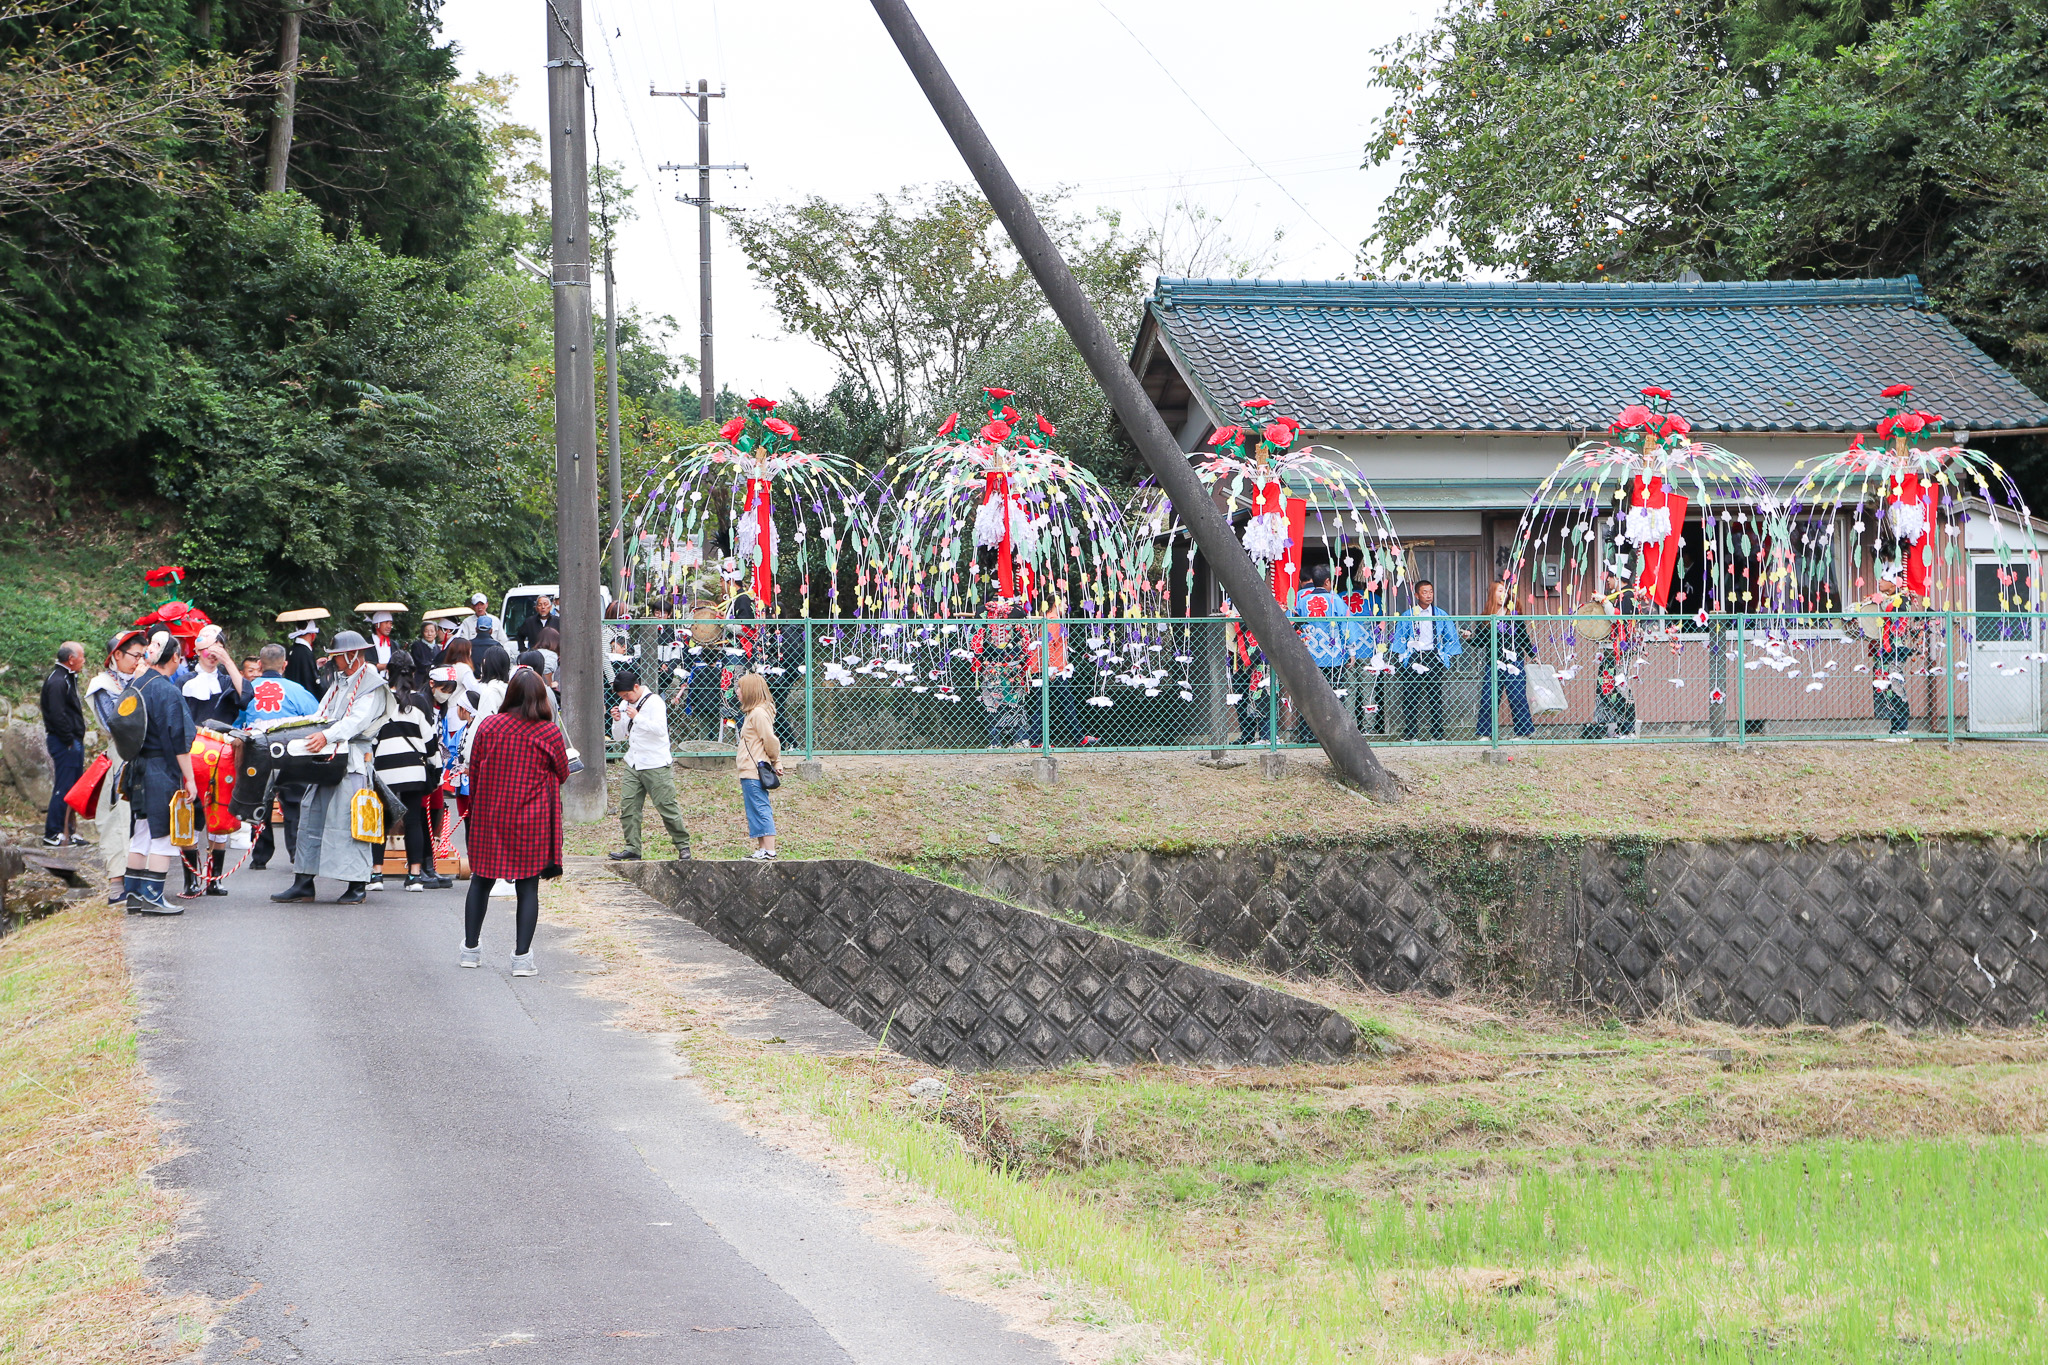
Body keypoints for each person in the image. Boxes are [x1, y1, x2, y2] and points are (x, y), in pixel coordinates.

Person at [460, 670, 569, 974]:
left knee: (480, 881)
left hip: (491, 814)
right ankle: (522, 959)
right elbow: (562, 772)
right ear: (540, 697)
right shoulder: (548, 732)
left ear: (511, 694)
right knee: (527, 887)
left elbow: (476, 771)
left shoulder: (490, 725)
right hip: (531, 820)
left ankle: (470, 950)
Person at [270, 630, 390, 905]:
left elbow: (356, 722)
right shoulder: (340, 682)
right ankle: (303, 882)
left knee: (351, 822)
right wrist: (292, 729)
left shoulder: (371, 684)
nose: (333, 661)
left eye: (337, 657)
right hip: (326, 758)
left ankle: (358, 884)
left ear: (351, 655)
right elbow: (320, 715)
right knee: (310, 814)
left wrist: (326, 735)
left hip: (353, 761)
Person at [118, 632, 197, 915]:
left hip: (135, 767)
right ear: (175, 657)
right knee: (164, 834)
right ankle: (153, 897)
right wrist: (189, 778)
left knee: (141, 833)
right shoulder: (168, 691)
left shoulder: (136, 684)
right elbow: (180, 741)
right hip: (160, 769)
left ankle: (133, 896)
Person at [238, 643, 320, 869]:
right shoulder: (297, 690)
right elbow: (317, 719)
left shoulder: (247, 689)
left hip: (257, 751)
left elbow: (237, 722)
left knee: (258, 802)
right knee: (294, 804)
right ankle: (296, 854)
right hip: (290, 751)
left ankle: (260, 857)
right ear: (285, 665)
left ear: (260, 666)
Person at [85, 631, 148, 900]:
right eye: (135, 655)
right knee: (118, 819)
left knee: (145, 821)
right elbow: (116, 723)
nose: (139, 661)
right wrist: (138, 684)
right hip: (121, 758)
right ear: (116, 655)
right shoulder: (102, 685)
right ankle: (117, 884)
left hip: (147, 758)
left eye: (143, 655)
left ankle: (144, 880)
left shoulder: (141, 679)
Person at [374, 659, 447, 891]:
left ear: (389, 672)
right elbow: (430, 742)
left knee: (381, 822)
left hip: (385, 770)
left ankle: (376, 874)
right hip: (414, 772)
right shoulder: (419, 705)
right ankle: (415, 876)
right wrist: (436, 773)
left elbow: (372, 739)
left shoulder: (380, 701)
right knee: (413, 821)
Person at [608, 667, 690, 862]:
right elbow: (619, 737)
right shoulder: (624, 704)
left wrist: (637, 717)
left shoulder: (655, 702)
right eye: (622, 696)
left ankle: (683, 845)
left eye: (627, 694)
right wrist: (617, 720)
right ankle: (632, 847)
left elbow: (661, 730)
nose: (625, 699)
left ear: (636, 687)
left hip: (656, 763)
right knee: (628, 807)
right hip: (634, 762)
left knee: (666, 806)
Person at [1292, 561, 1361, 742]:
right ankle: (1334, 735)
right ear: (1328, 582)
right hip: (1333, 657)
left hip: (1309, 655)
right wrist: (1351, 651)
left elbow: (1292, 624)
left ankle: (1306, 734)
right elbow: (1347, 625)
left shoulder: (1302, 600)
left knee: (1308, 694)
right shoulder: (1336, 600)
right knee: (1334, 694)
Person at [1392, 579, 1462, 740]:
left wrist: (1447, 654)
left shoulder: (1440, 614)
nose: (1429, 595)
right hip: (1414, 655)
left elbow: (1451, 635)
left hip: (1433, 655)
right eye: (1424, 592)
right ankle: (1411, 734)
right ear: (1416, 595)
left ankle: (1437, 735)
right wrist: (1402, 655)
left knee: (1435, 696)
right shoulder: (1408, 614)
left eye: (1430, 591)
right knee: (1410, 696)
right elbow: (1400, 636)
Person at [1476, 579, 1539, 740]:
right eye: (1499, 590)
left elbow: (1524, 637)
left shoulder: (1513, 615)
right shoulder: (1485, 617)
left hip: (1514, 661)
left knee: (1517, 696)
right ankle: (1485, 733)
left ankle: (1524, 732)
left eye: (1505, 590)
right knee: (1489, 697)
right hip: (1494, 662)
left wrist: (1533, 655)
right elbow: (1480, 641)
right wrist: (1469, 638)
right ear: (1492, 594)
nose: (1503, 594)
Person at [39, 641, 87, 847]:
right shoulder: (58, 681)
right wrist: (68, 739)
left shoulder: (67, 677)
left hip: (72, 740)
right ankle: (53, 832)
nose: (84, 661)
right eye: (82, 657)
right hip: (64, 741)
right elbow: (57, 715)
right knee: (64, 786)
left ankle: (69, 831)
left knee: (75, 787)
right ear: (71, 659)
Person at [735, 672, 785, 859]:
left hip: (755, 768)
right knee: (754, 810)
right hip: (748, 769)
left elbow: (770, 740)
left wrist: (776, 760)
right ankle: (762, 849)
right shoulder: (752, 713)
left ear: (750, 691)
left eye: (740, 688)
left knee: (760, 807)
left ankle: (770, 850)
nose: (737, 691)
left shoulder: (758, 713)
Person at [1866, 568, 1919, 739]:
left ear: (1893, 583)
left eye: (1883, 579)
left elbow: (1895, 613)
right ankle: (1894, 727)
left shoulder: (1902, 599)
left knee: (1896, 687)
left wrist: (1880, 602)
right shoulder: (1888, 598)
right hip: (1883, 649)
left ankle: (1902, 728)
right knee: (1886, 688)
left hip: (1896, 649)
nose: (1879, 581)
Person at [284, 621, 323, 696]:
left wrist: (316, 665)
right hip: (303, 696)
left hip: (291, 694)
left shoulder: (292, 649)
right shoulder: (305, 652)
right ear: (312, 635)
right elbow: (309, 679)